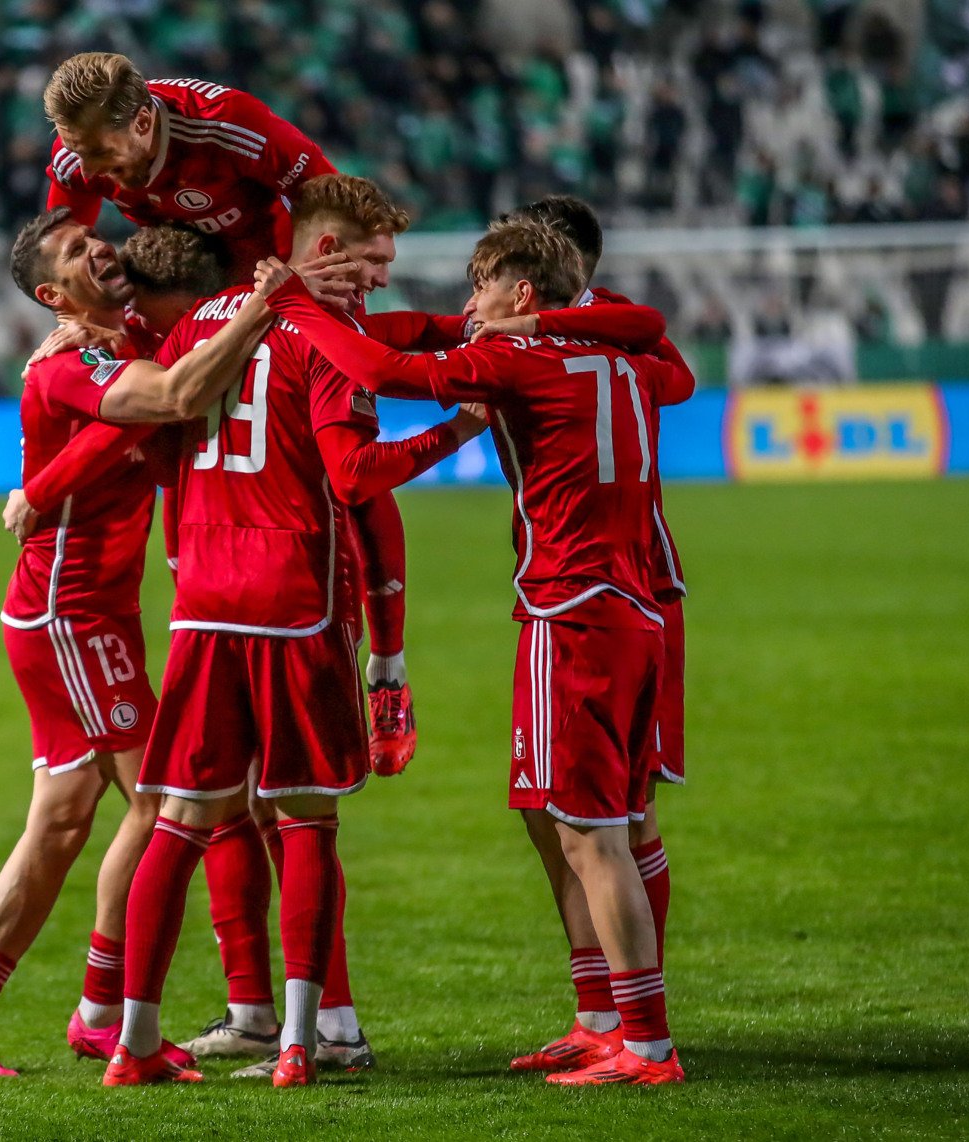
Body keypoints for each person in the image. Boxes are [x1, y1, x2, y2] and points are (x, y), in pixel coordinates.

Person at [262, 217, 689, 1085]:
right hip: (638, 605)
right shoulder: (628, 360)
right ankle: (605, 1017)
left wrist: (293, 307)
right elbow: (656, 342)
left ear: (522, 293)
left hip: (570, 605)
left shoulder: (516, 358)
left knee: (590, 831)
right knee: (573, 819)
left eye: (481, 288)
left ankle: (644, 1042)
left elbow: (385, 371)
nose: (469, 306)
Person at [85, 196, 492, 1091]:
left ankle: (133, 1043)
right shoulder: (328, 338)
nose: (381, 277)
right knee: (308, 821)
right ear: (330, 249)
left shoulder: (199, 316)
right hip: (291, 604)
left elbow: (155, 416)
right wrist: (458, 432)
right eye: (376, 259)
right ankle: (305, 1042)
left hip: (199, 601)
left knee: (180, 823)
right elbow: (354, 475)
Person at [0, 206, 322, 1078]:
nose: (101, 247)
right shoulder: (68, 365)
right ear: (54, 293)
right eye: (76, 250)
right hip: (73, 616)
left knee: (62, 824)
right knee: (167, 801)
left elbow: (149, 380)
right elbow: (173, 396)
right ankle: (103, 1010)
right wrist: (257, 310)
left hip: (82, 614)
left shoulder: (112, 341)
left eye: (95, 235)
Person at [41, 51, 420, 776]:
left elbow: (335, 201)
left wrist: (320, 285)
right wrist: (78, 315)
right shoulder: (74, 156)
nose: (89, 166)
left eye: (99, 150)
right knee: (163, 427)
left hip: (292, 283)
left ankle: (388, 668)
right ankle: (211, 611)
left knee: (349, 471)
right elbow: (59, 246)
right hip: (196, 294)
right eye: (78, 151)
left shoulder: (231, 128)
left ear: (146, 120)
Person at [500, 196, 693, 1076]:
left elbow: (678, 372)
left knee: (618, 815)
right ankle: (598, 1014)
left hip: (626, 588)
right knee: (552, 815)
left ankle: (638, 1024)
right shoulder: (555, 343)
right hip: (567, 585)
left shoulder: (604, 334)